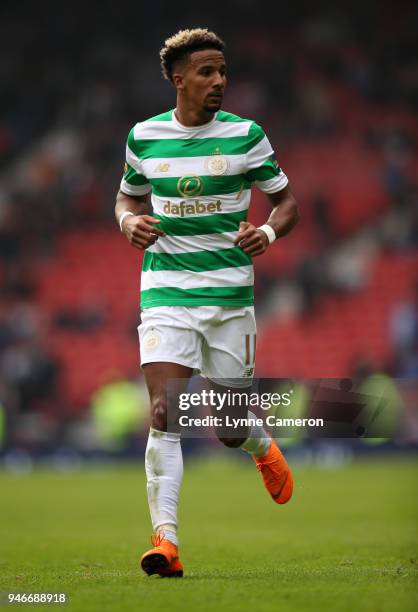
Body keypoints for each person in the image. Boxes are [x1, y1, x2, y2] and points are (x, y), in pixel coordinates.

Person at [115, 28, 299, 578]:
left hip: (228, 300)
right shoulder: (144, 138)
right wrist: (129, 220)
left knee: (226, 425)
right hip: (166, 292)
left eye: (222, 72)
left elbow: (285, 201)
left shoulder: (247, 136)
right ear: (179, 79)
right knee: (163, 412)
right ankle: (165, 542)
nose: (218, 81)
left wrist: (266, 234)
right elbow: (128, 192)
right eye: (206, 72)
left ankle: (260, 445)